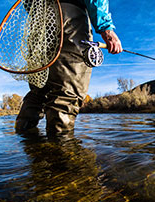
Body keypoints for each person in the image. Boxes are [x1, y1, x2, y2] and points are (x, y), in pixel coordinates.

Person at [15, 0, 122, 133]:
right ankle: (61, 151)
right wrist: (106, 29)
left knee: (38, 92)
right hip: (69, 19)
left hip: (37, 22)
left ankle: (26, 144)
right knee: (67, 95)